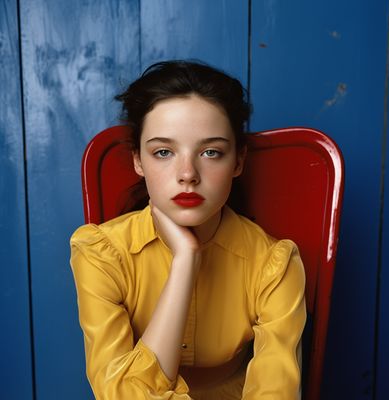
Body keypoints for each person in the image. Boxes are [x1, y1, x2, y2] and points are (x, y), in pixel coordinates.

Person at [70, 60, 306, 400]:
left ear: (238, 161)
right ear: (138, 159)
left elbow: (276, 392)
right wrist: (185, 260)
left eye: (211, 152)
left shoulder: (274, 263)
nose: (187, 174)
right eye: (163, 152)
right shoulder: (100, 253)